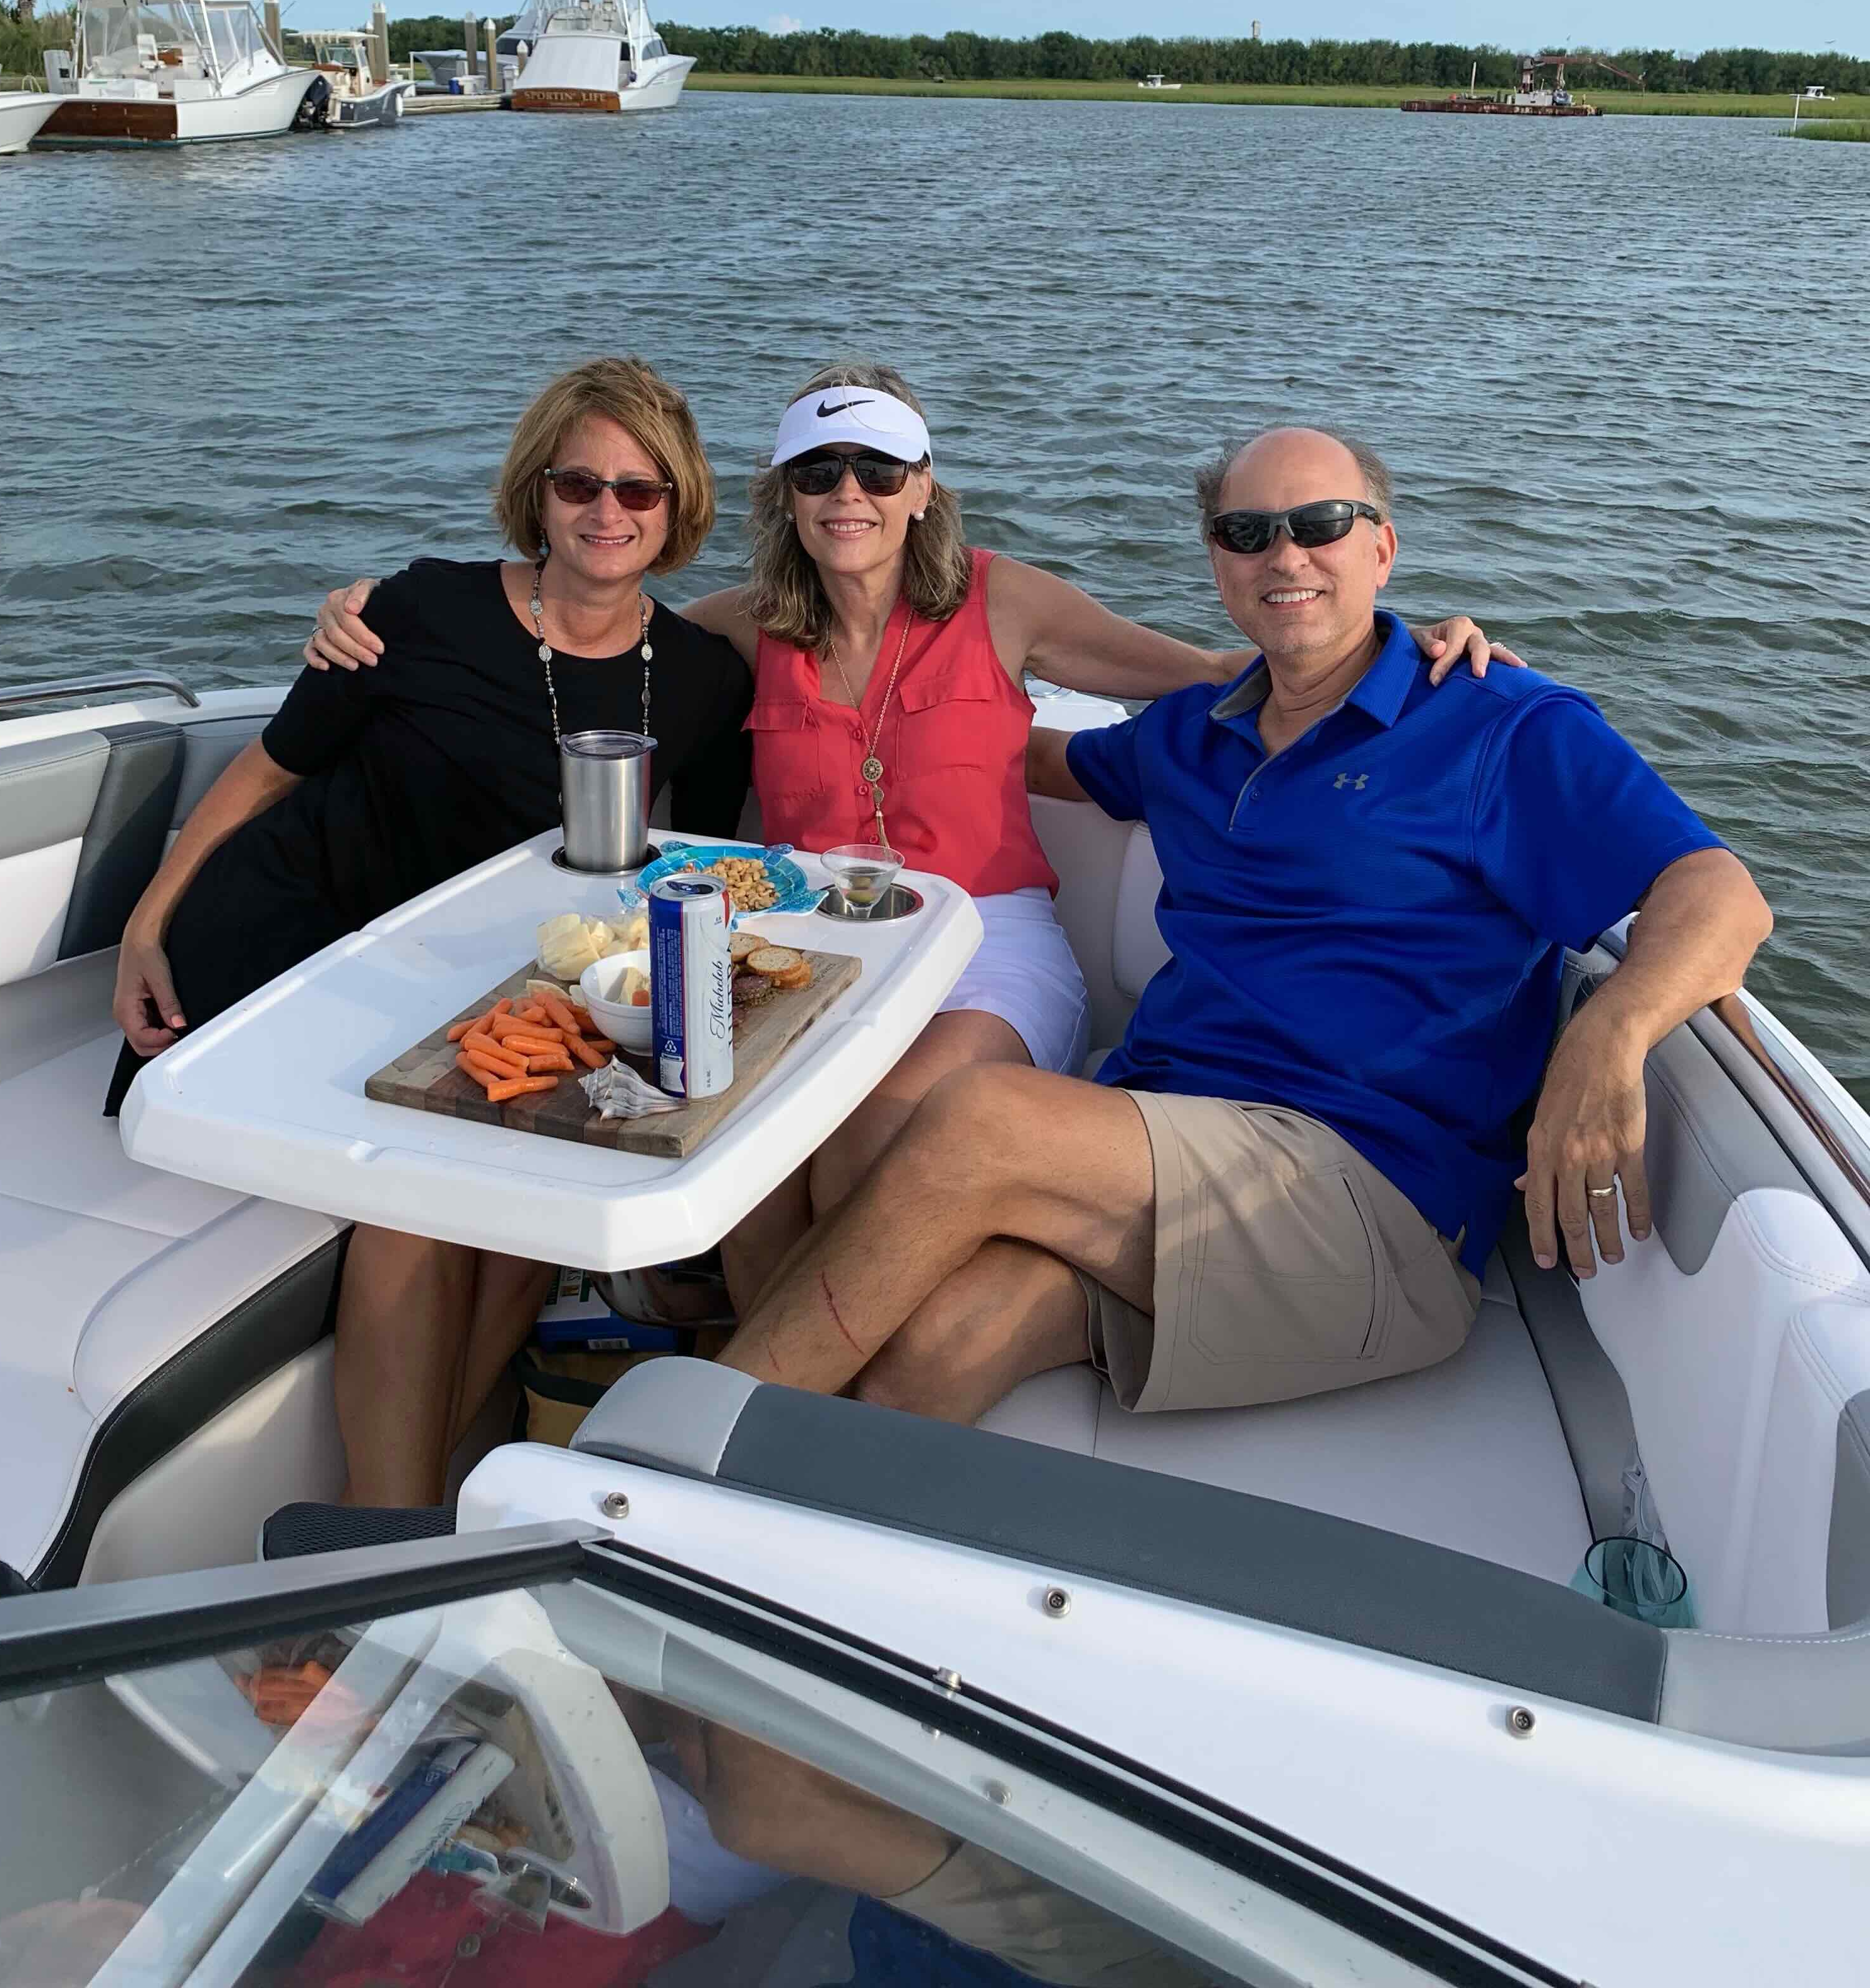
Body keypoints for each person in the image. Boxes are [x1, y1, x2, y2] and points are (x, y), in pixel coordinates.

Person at [307, 369, 1513, 1318]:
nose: (851, 493)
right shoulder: (739, 629)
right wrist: (384, 614)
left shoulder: (1003, 601)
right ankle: (774, 1341)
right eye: (820, 468)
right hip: (802, 954)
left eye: (878, 467)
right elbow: (581, 629)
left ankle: (798, 1363)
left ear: (922, 485)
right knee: (745, 1131)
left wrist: (1435, 645)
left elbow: (1219, 669)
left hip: (989, 943)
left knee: (877, 1134)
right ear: (786, 493)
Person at [713, 424, 1774, 1426]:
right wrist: (858, 732)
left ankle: (676, 1451)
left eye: (1320, 525)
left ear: (1382, 548)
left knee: (978, 1118)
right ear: (1218, 563)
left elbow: (1719, 892)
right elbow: (1023, 761)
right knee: (933, 1346)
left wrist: (1611, 1031)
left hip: (1372, 1199)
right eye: (1248, 533)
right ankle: (777, 1545)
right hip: (1171, 1151)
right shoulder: (1192, 734)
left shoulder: (1498, 724)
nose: (1286, 556)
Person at [110, 357, 754, 1504]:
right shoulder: (414, 612)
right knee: (437, 1196)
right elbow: (271, 770)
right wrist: (147, 923)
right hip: (286, 949)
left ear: (677, 510)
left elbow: (702, 879)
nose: (607, 511)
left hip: (467, 987)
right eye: (579, 485)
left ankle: (399, 1514)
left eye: (640, 492)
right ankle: (392, 1525)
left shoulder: (700, 678)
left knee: (516, 1210)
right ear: (537, 496)